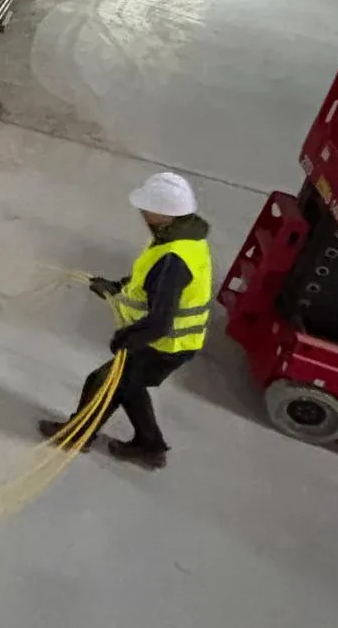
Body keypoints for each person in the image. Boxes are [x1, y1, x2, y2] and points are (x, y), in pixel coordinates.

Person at [38, 171, 212, 470]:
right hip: (173, 343)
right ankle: (150, 447)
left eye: (147, 207)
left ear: (163, 213)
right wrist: (116, 288)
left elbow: (160, 322)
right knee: (128, 386)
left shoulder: (174, 258)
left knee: (104, 381)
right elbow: (147, 281)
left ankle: (78, 435)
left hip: (164, 346)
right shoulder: (182, 239)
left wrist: (127, 339)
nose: (142, 212)